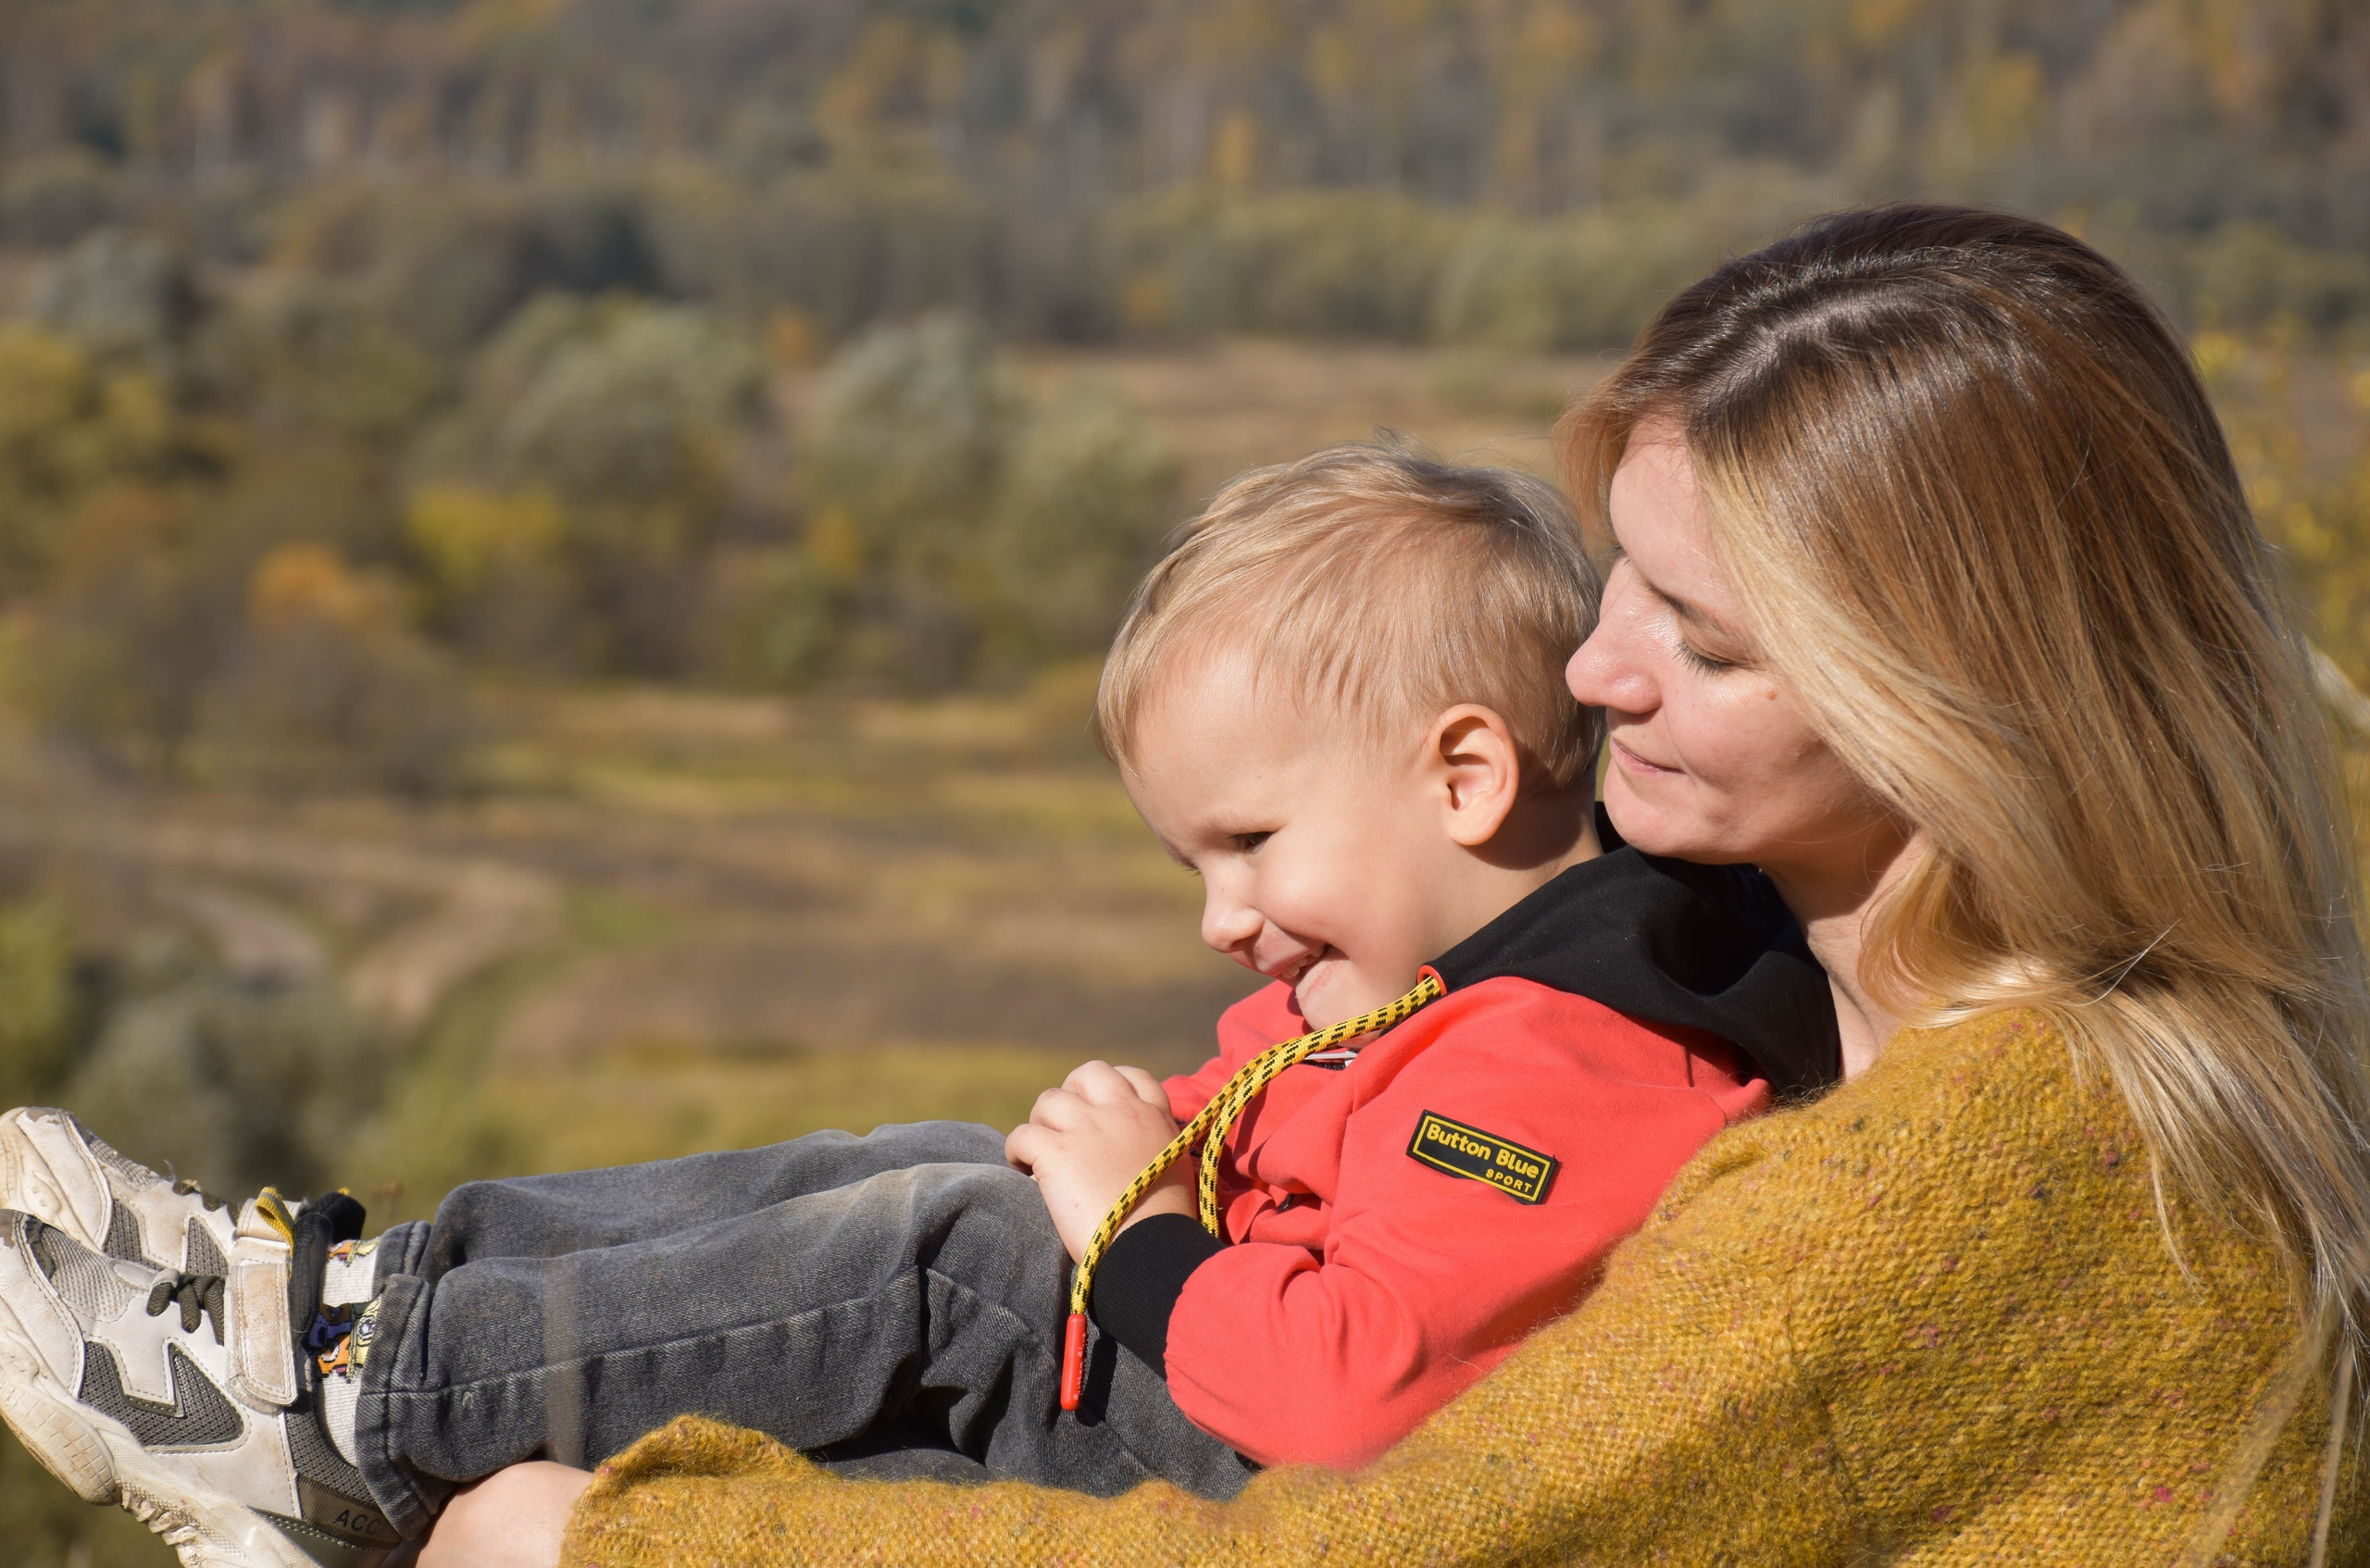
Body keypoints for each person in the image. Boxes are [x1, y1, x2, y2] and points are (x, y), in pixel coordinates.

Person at [406, 203, 2370, 1567]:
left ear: (1958, 702)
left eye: (1702, 639)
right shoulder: (1781, 995)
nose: (1595, 671)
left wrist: (610, 1540)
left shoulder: (1972, 1174)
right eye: (1620, 577)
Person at [0, 444, 1837, 1568]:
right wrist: (1157, 1155)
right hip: (1228, 1407)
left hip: (1294, 1490)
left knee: (967, 1250)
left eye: (1250, 843)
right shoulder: (1451, 987)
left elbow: (1363, 1393)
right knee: (914, 1166)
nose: (1218, 918)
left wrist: (1136, 1226)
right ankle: (341, 1309)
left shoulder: (1564, 1054)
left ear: (1463, 776)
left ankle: (337, 1403)